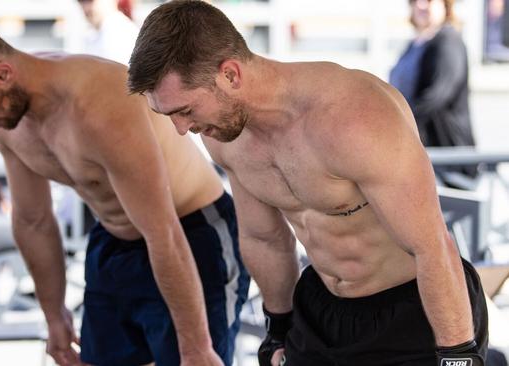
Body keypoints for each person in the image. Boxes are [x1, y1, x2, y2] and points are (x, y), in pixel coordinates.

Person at [127, 1, 489, 365]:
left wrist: (457, 353)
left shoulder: (353, 117)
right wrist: (278, 326)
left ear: (230, 75)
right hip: (321, 305)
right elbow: (264, 238)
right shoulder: (223, 133)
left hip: (416, 310)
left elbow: (431, 246)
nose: (181, 129)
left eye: (185, 111)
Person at [0, 15, 249, 366]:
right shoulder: (2, 116)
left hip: (191, 233)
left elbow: (163, 232)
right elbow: (33, 220)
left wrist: (196, 347)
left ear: (2, 74)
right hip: (113, 239)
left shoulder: (99, 102)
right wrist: (54, 315)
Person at [390, 0, 478, 185]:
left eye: (430, 0)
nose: (422, 5)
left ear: (445, 5)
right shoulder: (414, 44)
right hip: (417, 150)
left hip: (447, 156)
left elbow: (437, 95)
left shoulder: (449, 41)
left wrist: (398, 122)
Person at [71, 0, 139, 65]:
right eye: (81, 1)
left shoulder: (123, 33)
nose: (85, 8)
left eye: (90, 0)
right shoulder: (91, 35)